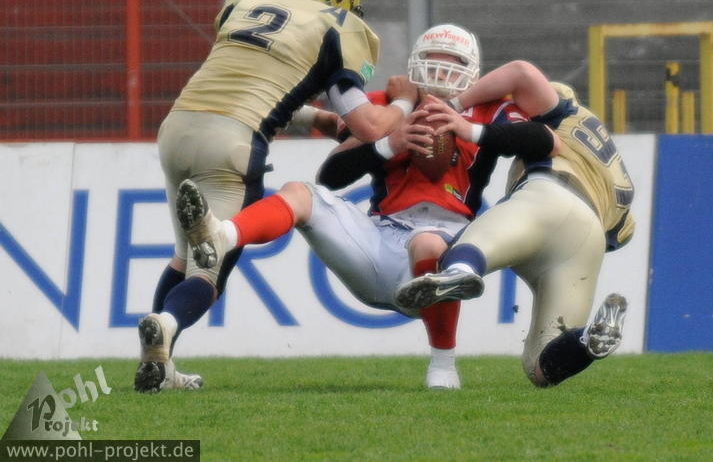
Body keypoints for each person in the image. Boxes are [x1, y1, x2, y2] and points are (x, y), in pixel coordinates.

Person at [175, 25, 560, 389]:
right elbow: (331, 175)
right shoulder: (390, 106)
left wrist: (469, 129)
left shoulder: (488, 109)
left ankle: (443, 366)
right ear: (415, 62)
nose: (440, 70)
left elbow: (545, 142)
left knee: (428, 243)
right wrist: (391, 143)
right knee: (300, 192)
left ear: (471, 71)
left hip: (441, 245)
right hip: (378, 237)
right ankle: (222, 234)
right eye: (432, 58)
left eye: (452, 61)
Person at [135, 0, 419, 393]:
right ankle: (167, 323)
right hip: (231, 143)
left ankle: (157, 364)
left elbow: (247, 82)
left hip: (177, 128)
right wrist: (404, 102)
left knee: (183, 253)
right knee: (208, 268)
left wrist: (316, 118)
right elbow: (367, 126)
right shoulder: (336, 24)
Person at [395, 60, 635, 388]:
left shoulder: (563, 113)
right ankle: (586, 341)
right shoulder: (616, 169)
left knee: (471, 247)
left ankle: (459, 272)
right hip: (588, 237)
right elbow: (623, 233)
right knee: (540, 366)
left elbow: (521, 72)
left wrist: (457, 106)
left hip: (549, 195)